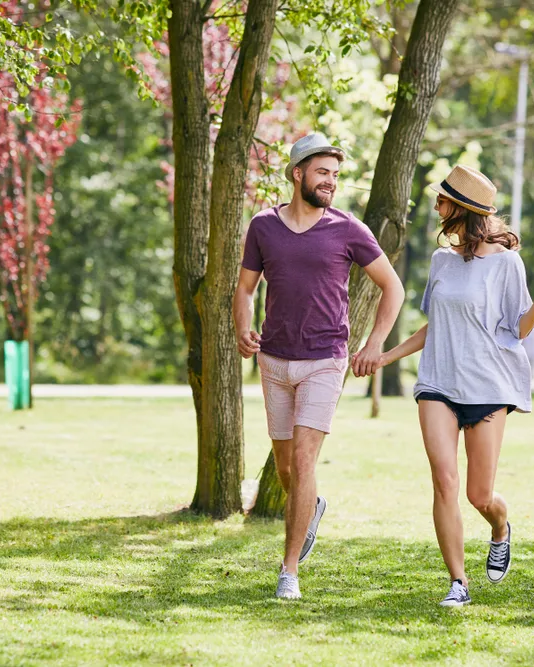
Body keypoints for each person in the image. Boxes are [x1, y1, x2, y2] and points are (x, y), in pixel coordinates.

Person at [355, 164, 534, 607]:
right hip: (438, 382)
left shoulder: (507, 263)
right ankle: (458, 583)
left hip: (488, 386)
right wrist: (386, 355)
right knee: (444, 481)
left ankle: (500, 528)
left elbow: (518, 330)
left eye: (443, 199)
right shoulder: (440, 260)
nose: (436, 205)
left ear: (463, 210)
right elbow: (436, 325)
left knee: (478, 494)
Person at [233, 133, 405, 600]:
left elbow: (393, 288)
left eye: (335, 174)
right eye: (322, 172)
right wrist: (242, 327)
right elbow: (245, 288)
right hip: (273, 359)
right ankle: (312, 506)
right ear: (297, 174)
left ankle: (288, 570)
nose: (331, 181)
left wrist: (373, 343)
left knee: (305, 460)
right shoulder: (263, 227)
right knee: (288, 469)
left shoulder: (349, 229)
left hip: (325, 361)